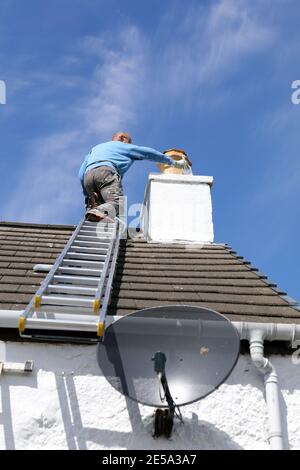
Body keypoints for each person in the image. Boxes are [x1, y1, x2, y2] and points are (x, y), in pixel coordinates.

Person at [78, 131, 190, 222]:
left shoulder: (96, 148)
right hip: (106, 173)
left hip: (88, 178)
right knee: (117, 204)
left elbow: (81, 173)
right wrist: (172, 162)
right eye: (129, 142)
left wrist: (87, 192)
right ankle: (98, 211)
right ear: (122, 138)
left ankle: (96, 214)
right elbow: (148, 153)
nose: (130, 145)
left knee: (102, 211)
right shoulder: (122, 146)